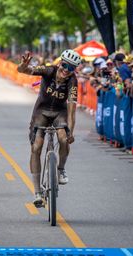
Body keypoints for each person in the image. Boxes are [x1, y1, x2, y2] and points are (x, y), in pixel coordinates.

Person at [17, 49, 81, 208]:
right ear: (60, 63)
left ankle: (61, 169)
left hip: (60, 113)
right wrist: (23, 65)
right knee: (37, 147)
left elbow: (72, 109)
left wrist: (71, 132)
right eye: (65, 65)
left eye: (71, 68)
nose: (67, 70)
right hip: (41, 111)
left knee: (63, 139)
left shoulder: (72, 81)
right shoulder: (48, 70)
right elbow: (24, 70)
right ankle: (37, 191)